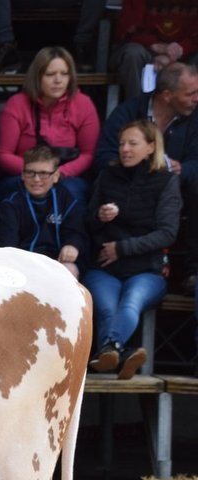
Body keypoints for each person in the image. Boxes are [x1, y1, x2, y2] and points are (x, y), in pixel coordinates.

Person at [81, 119, 180, 381]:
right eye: (122, 143)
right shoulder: (107, 175)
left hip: (147, 269)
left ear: (151, 147)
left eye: (133, 143)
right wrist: (100, 217)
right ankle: (122, 353)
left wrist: (122, 248)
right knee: (106, 307)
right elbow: (86, 224)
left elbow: (167, 232)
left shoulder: (166, 181)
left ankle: (111, 348)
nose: (125, 149)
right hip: (105, 268)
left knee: (131, 301)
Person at [96, 62, 198, 290]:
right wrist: (134, 167)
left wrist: (183, 169)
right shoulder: (129, 111)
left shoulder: (195, 117)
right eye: (190, 93)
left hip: (177, 186)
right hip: (129, 184)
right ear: (167, 95)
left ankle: (193, 271)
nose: (196, 98)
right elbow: (104, 155)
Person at [0, 47, 100, 205]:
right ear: (37, 77)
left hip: (66, 176)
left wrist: (59, 173)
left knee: (69, 192)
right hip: (22, 175)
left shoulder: (83, 104)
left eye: (64, 74)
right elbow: (3, 154)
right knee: (20, 193)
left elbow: (89, 154)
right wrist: (36, 173)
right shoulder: (17, 104)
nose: (58, 80)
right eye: (50, 74)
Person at [0, 145, 87, 279]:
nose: (36, 179)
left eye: (43, 173)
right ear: (22, 174)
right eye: (30, 172)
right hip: (23, 264)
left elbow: (76, 231)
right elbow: (7, 246)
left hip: (57, 262)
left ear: (56, 176)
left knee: (70, 269)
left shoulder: (67, 200)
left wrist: (72, 245)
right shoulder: (11, 204)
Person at [111, 0, 198, 102]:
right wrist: (157, 47)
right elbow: (129, 27)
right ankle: (137, 108)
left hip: (184, 51)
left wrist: (178, 50)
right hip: (144, 47)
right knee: (133, 54)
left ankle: (192, 108)